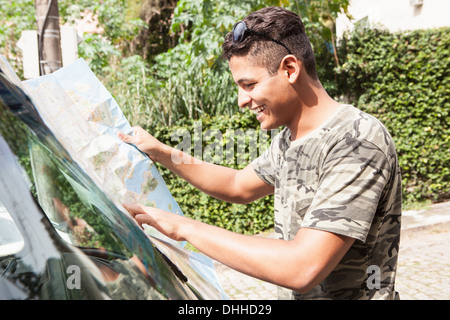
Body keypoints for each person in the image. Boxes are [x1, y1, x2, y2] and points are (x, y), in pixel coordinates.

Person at [119, 6, 402, 300]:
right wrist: (162, 152)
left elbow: (301, 267)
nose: (242, 101)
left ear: (290, 69)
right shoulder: (289, 140)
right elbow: (238, 185)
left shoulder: (357, 141)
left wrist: (182, 228)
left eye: (249, 84)